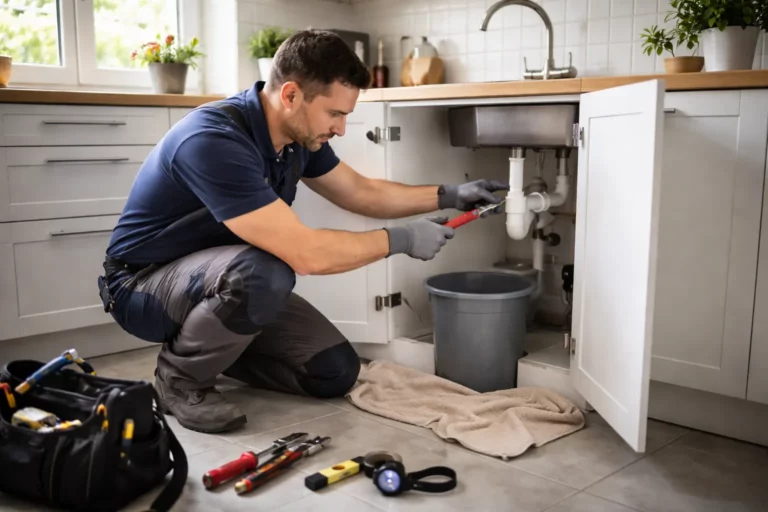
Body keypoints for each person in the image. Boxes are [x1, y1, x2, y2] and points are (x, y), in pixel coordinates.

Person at [98, 29, 508, 434]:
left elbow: (360, 192)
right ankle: (179, 379)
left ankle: (212, 350)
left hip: (218, 283)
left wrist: (449, 194)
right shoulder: (213, 139)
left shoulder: (295, 140)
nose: (342, 128)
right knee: (266, 272)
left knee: (334, 373)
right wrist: (402, 239)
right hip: (143, 286)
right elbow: (307, 254)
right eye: (335, 114)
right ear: (291, 95)